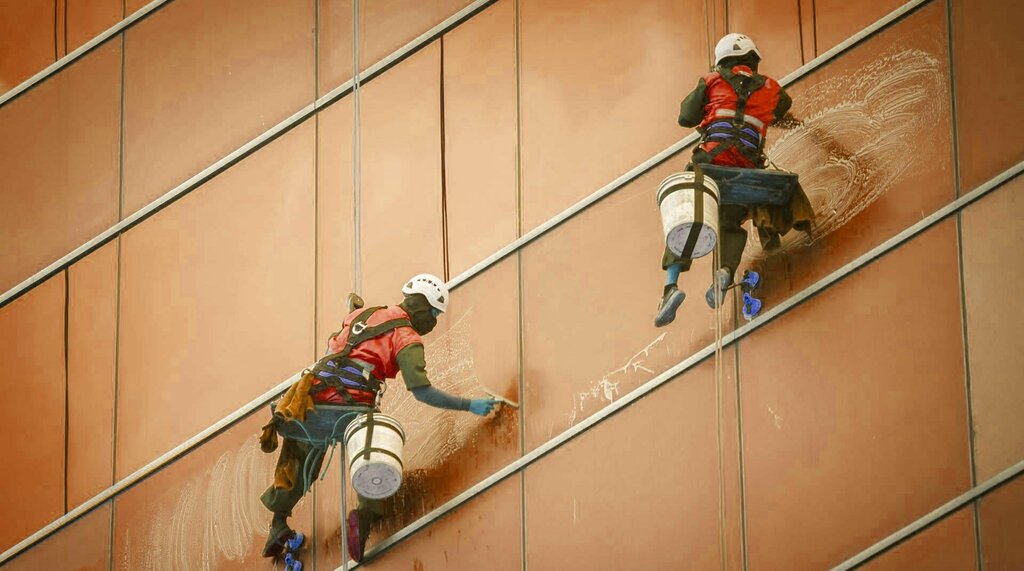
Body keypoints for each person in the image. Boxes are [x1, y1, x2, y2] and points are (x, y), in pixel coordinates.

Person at [258, 273, 497, 564]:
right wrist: (469, 405)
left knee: (298, 455)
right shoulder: (407, 338)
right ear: (421, 305)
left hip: (308, 401)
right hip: (349, 408)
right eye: (434, 313)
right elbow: (422, 391)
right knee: (378, 451)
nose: (433, 321)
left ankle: (278, 523)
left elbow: (344, 337)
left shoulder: (366, 313)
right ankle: (365, 516)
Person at [655, 33, 811, 327]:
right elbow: (781, 110)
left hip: (710, 163)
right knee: (729, 223)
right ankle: (724, 273)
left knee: (686, 216)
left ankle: (671, 287)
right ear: (753, 59)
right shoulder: (772, 87)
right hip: (746, 170)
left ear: (722, 60)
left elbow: (685, 117)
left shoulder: (711, 81)